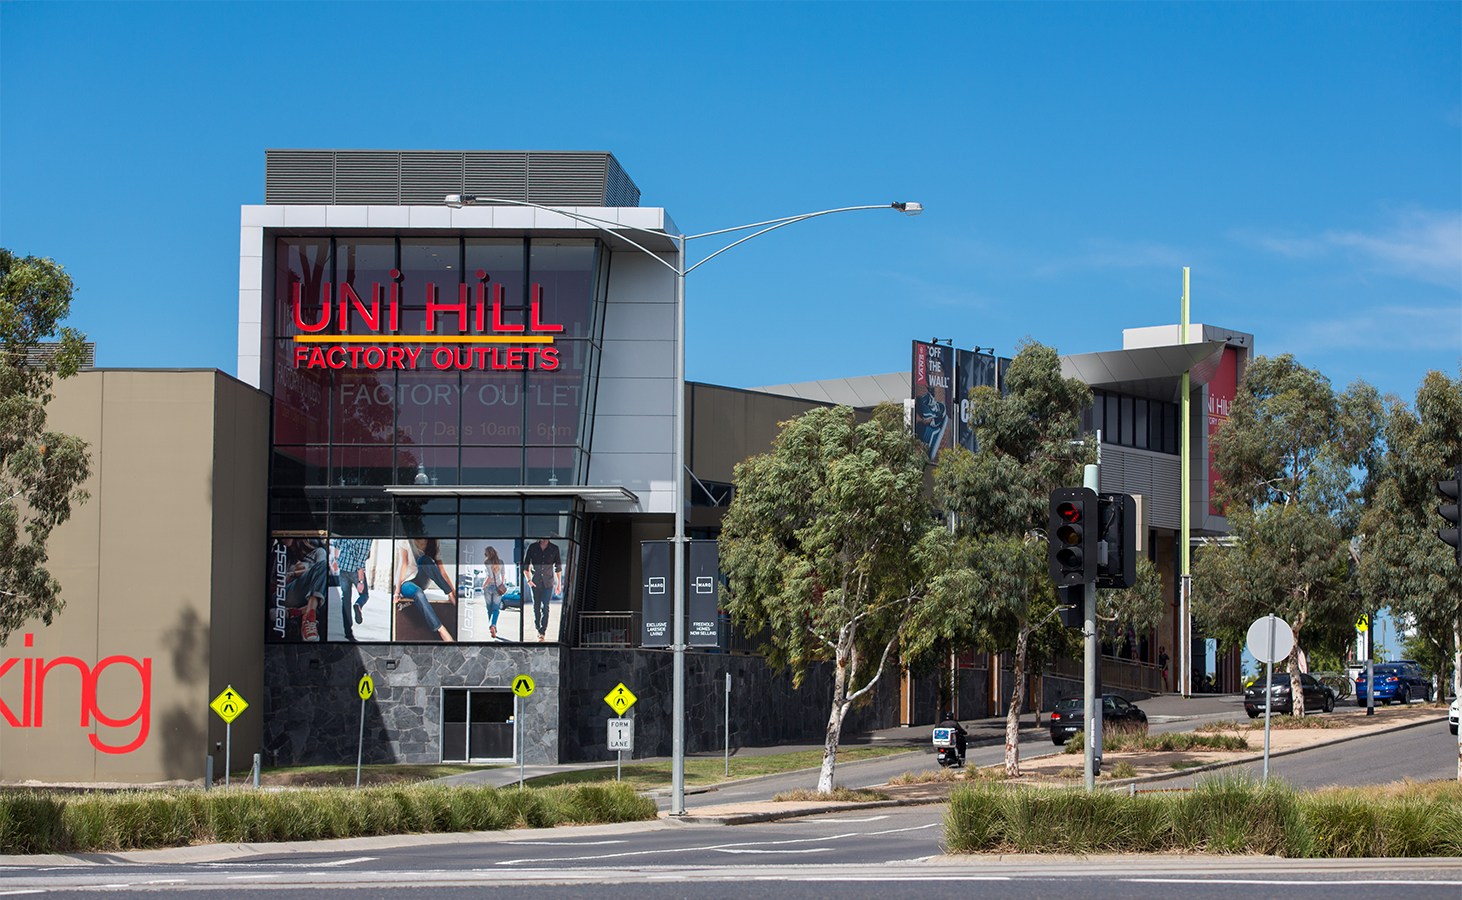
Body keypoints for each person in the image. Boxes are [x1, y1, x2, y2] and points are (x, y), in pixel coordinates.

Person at [394, 538, 456, 642]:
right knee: (418, 593)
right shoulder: (405, 541)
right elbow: (403, 564)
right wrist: (397, 590)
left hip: (421, 580)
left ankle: (449, 594)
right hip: (406, 581)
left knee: (424, 559)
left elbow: (442, 572)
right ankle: (441, 629)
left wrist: (452, 592)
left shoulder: (434, 542)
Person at [281, 538, 329, 642]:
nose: (283, 537)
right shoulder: (284, 556)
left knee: (323, 568)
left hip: (308, 596)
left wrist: (299, 572)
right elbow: (277, 587)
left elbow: (323, 567)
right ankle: (309, 616)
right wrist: (292, 574)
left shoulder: (318, 552)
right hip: (288, 594)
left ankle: (298, 612)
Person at [521, 536, 562, 642]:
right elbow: (525, 566)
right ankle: (538, 627)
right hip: (535, 582)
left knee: (545, 607)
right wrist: (528, 580)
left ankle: (542, 632)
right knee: (536, 607)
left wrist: (559, 585)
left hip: (548, 583)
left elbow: (558, 568)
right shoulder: (532, 547)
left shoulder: (554, 549)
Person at [333, 537, 372, 641]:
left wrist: (336, 560)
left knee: (345, 599)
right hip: (355, 571)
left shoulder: (347, 530)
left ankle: (348, 632)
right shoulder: (366, 538)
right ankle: (358, 605)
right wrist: (361, 581)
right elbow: (361, 560)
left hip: (343, 570)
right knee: (364, 595)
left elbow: (337, 543)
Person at [483, 545, 507, 640]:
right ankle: (493, 626)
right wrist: (501, 584)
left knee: (489, 609)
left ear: (488, 554)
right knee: (496, 608)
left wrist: (485, 584)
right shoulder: (501, 562)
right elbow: (503, 574)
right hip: (497, 587)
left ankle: (492, 627)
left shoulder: (487, 562)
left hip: (488, 587)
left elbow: (489, 576)